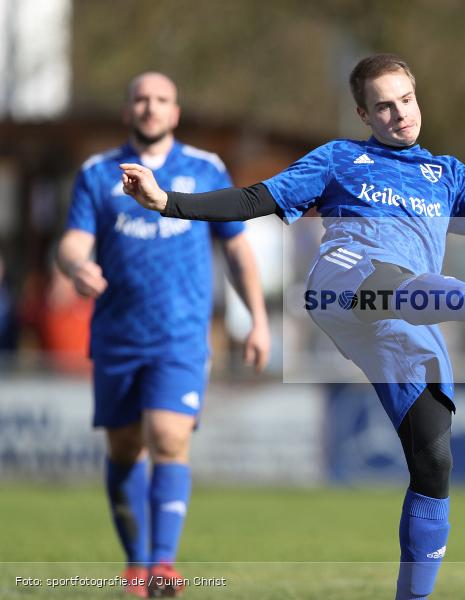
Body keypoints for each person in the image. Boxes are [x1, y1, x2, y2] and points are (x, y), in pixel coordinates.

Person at [119, 54, 465, 600]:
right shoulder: (339, 159)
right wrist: (168, 202)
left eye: (406, 100)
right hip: (346, 283)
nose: (399, 114)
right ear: (363, 113)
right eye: (384, 106)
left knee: (433, 462)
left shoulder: (448, 174)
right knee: (390, 277)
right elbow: (257, 198)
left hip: (413, 311)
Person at [58, 72, 270, 598]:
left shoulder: (206, 169)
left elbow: (238, 248)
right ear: (128, 109)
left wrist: (258, 319)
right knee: (126, 446)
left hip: (181, 335)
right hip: (116, 336)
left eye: (161, 100)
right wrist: (76, 266)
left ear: (176, 112)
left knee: (170, 437)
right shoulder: (96, 173)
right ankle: (136, 566)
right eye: (141, 99)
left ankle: (163, 567)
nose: (150, 108)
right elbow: (71, 243)